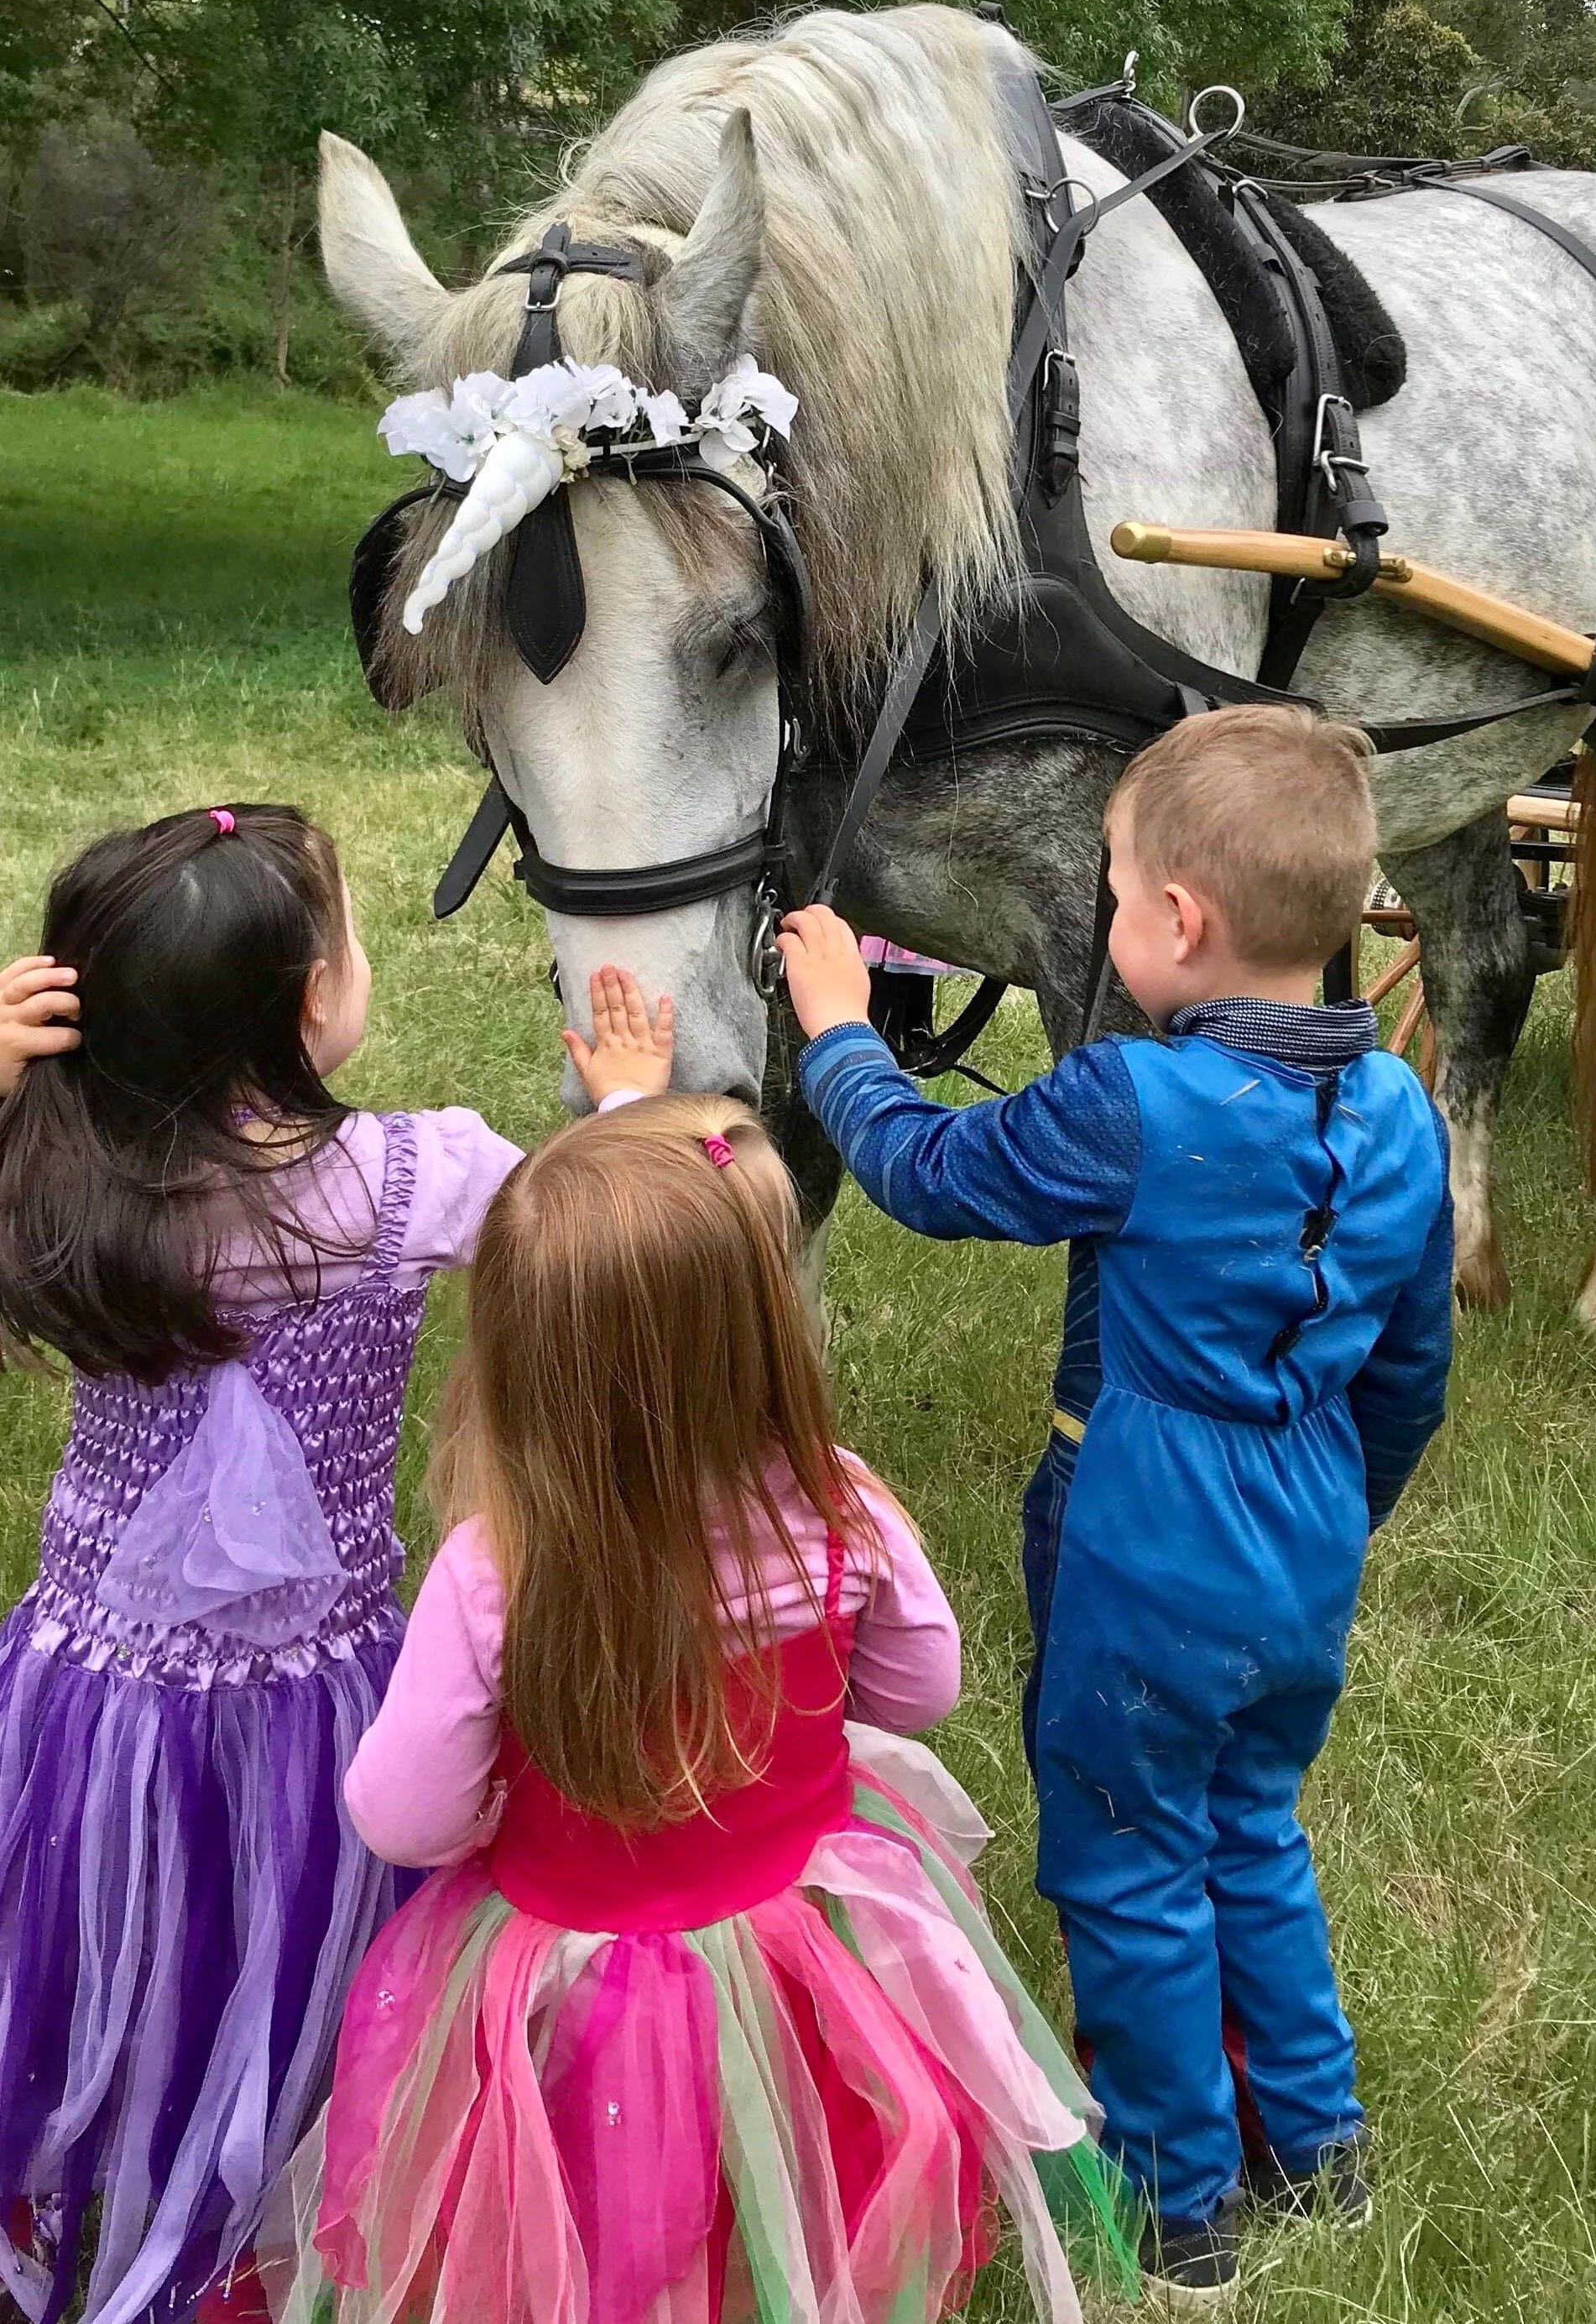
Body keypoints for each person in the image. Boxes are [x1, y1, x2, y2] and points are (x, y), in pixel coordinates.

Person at [780, 704, 1454, 2301]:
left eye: (1109, 882)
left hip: (1139, 1529)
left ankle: (1178, 2201)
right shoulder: (1403, 1113)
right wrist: (1335, 1516)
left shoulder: (1129, 1104)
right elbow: (1407, 1375)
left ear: (1176, 921)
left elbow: (932, 1172)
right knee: (1249, 1822)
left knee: (1127, 1850)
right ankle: (1321, 2141)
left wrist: (834, 1026)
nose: (1104, 909)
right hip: (1303, 1529)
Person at [263, 1091, 1133, 2324]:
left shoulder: (497, 1569)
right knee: (782, 2168)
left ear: (524, 1360)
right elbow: (918, 1689)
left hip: (570, 1972)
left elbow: (402, 1815)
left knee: (592, 2202)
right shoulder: (843, 1512)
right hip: (799, 1948)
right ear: (763, 1336)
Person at [0, 803, 673, 2324]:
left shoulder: (63, 1179)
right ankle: (264, 2197)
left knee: (98, 1926)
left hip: (92, 1687)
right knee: (298, 1945)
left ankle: (103, 2151)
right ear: (317, 1001)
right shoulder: (412, 1175)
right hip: (324, 1690)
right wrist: (623, 1104)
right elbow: (591, 1243)